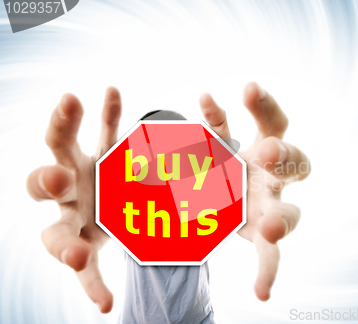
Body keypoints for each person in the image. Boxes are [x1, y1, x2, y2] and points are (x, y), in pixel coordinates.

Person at [26, 82, 311, 323]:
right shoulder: (123, 202)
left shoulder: (204, 196)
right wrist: (100, 191)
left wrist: (239, 180)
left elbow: (232, 191)